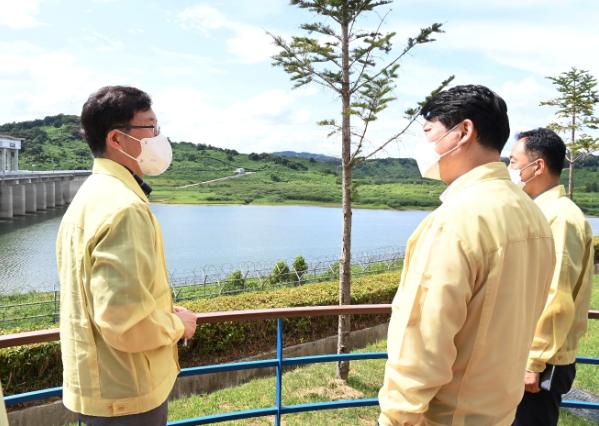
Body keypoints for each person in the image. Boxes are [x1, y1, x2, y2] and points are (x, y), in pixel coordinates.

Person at [378, 85, 556, 425]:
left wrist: (395, 419)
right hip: (500, 412)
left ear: (463, 131)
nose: (425, 144)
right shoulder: (533, 215)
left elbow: (421, 345)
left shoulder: (455, 221)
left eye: (429, 131)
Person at [56, 85, 197, 425]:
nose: (159, 137)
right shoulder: (125, 209)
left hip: (99, 384)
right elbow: (125, 323)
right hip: (127, 393)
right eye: (151, 127)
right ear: (117, 139)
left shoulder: (91, 196)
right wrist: (179, 325)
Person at [509, 128, 594, 426]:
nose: (509, 169)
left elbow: (555, 294)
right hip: (526, 354)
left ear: (538, 166)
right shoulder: (540, 212)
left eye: (513, 161)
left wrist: (533, 362)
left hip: (540, 362)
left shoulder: (560, 218)